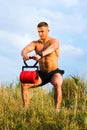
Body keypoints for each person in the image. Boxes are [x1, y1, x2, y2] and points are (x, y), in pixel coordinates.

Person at [21, 21, 64, 112]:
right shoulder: (35, 43)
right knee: (24, 85)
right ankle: (25, 111)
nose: (40, 34)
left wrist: (41, 54)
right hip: (42, 73)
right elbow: (26, 49)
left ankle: (57, 111)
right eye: (38, 32)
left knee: (58, 82)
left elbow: (52, 48)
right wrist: (24, 54)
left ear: (48, 30)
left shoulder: (54, 41)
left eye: (42, 31)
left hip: (53, 72)